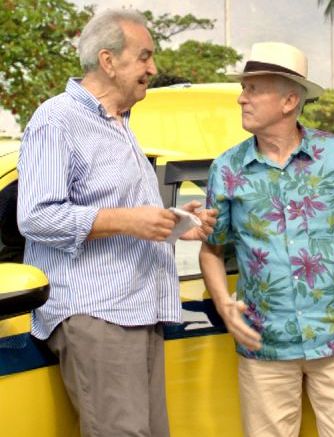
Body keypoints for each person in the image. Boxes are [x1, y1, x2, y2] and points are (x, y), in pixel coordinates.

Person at [17, 9, 216, 437]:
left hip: (138, 309)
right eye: (144, 56)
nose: (153, 68)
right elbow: (36, 216)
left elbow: (129, 217)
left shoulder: (118, 124)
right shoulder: (57, 120)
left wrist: (176, 225)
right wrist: (128, 220)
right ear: (108, 61)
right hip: (97, 313)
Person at [199, 41, 334, 437]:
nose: (241, 98)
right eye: (244, 88)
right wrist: (223, 304)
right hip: (264, 347)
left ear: (289, 101)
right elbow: (211, 249)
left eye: (253, 89)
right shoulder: (227, 169)